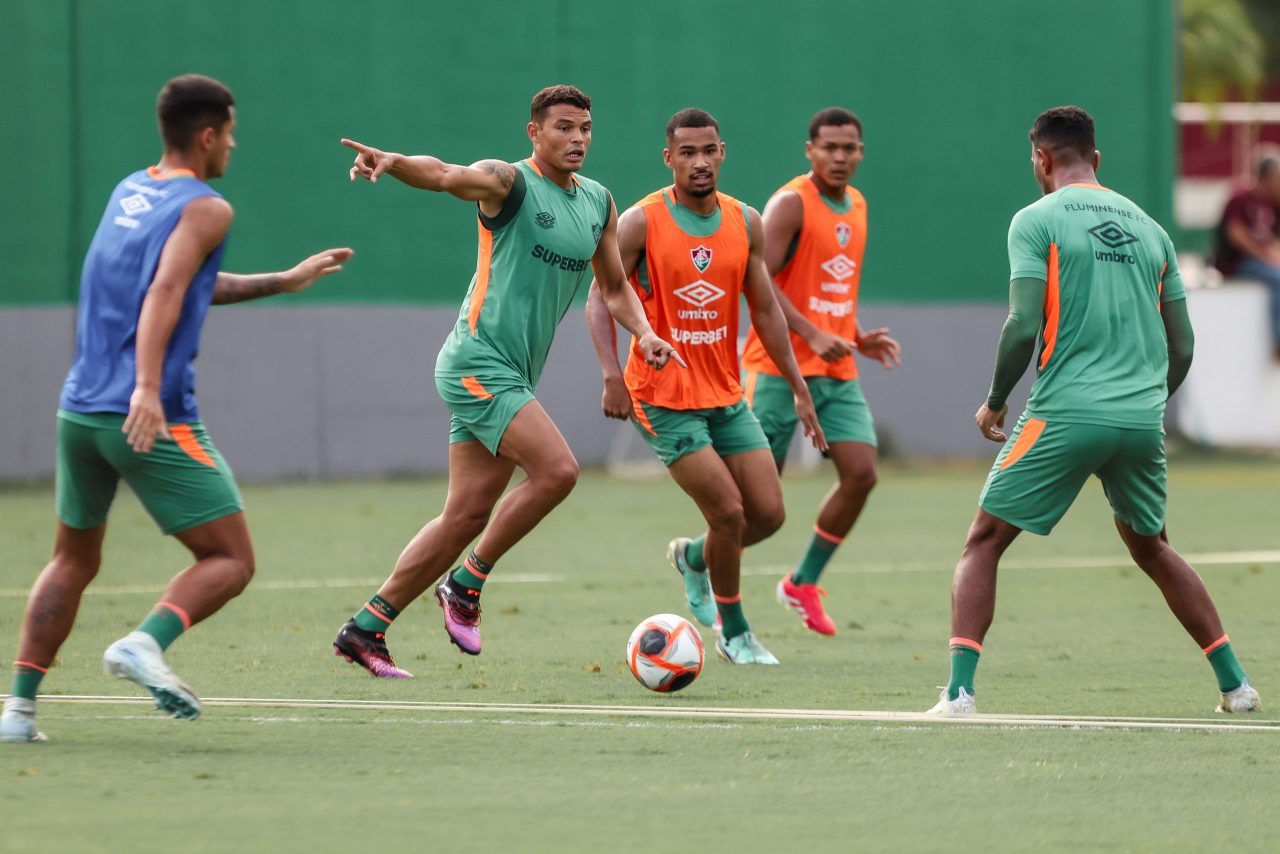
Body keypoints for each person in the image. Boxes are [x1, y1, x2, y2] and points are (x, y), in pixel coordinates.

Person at [0, 74, 353, 743]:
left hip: (79, 409)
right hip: (148, 410)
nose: (235, 145)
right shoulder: (207, 206)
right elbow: (164, 289)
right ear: (210, 133)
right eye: (233, 132)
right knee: (231, 560)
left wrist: (284, 280)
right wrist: (144, 386)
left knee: (72, 559)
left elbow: (185, 282)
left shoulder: (130, 189)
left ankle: (17, 711)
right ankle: (143, 642)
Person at [332, 85, 680, 677]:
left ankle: (365, 629)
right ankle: (465, 586)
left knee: (465, 516)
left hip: (514, 373)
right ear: (534, 133)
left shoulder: (598, 201)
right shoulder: (508, 182)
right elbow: (444, 174)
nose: (576, 139)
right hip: (476, 361)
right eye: (564, 127)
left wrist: (643, 334)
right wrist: (394, 164)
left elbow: (616, 287)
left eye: (585, 129)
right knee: (558, 471)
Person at [927, 105, 1260, 716]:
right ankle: (1237, 685)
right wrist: (1149, 404)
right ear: (1096, 159)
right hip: (1139, 420)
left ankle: (958, 694)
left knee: (983, 542)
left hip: (1065, 413)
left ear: (1041, 159)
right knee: (1154, 547)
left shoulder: (1036, 219)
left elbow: (1022, 324)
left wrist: (996, 400)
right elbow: (1183, 344)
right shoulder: (1151, 229)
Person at [586, 108, 826, 665]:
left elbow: (765, 310)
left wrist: (799, 386)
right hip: (662, 397)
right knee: (729, 513)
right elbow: (601, 296)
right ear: (668, 158)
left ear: (723, 153)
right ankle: (735, 633)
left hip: (725, 393)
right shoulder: (642, 221)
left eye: (708, 151)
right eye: (686, 153)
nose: (699, 162)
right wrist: (611, 372)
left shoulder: (746, 221)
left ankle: (694, 558)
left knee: (768, 514)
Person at [740, 107, 901, 637]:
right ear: (809, 150)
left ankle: (801, 582)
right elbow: (756, 282)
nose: (839, 156)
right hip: (777, 370)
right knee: (761, 505)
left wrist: (855, 336)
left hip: (837, 369)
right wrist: (809, 334)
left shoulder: (857, 204)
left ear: (861, 153)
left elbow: (829, 288)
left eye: (848, 148)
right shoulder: (789, 205)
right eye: (828, 146)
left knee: (862, 475)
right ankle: (700, 558)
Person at [1212, 156, 1280, 359]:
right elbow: (1236, 233)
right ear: (1266, 177)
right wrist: (1265, 255)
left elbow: (1271, 241)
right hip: (1238, 263)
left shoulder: (1273, 205)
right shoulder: (1242, 198)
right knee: (1277, 279)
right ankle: (1277, 342)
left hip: (1260, 261)